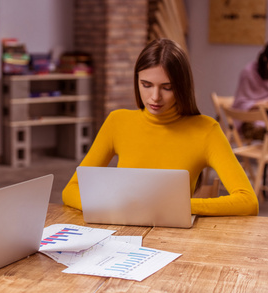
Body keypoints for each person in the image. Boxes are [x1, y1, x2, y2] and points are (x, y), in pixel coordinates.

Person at [62, 38, 259, 216]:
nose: (155, 97)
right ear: (136, 81)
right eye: (146, 85)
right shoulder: (117, 122)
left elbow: (248, 201)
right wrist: (108, 205)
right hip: (123, 232)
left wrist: (181, 206)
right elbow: (71, 189)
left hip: (175, 237)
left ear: (181, 87)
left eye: (167, 87)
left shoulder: (206, 130)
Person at [232, 43, 268, 140]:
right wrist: (260, 104)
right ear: (265, 58)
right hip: (250, 122)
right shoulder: (248, 73)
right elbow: (240, 104)